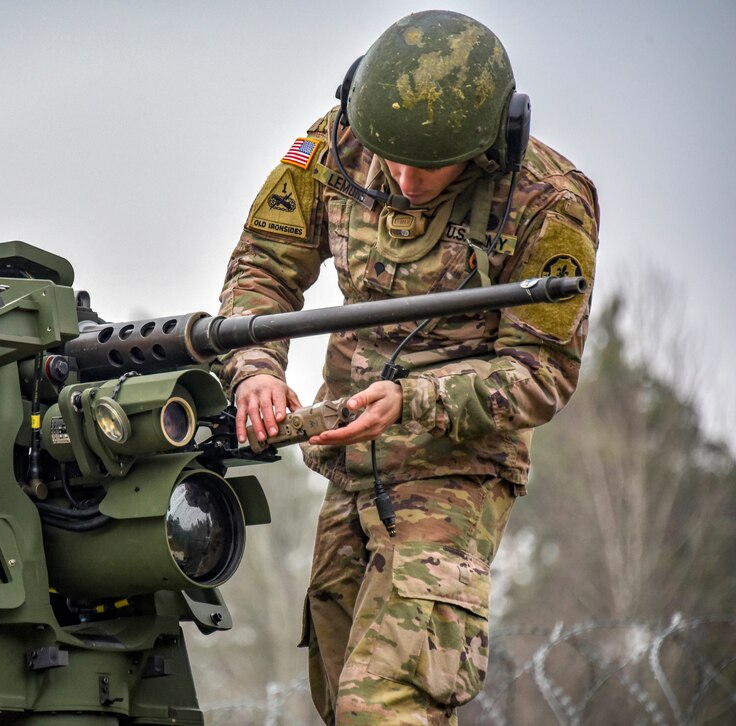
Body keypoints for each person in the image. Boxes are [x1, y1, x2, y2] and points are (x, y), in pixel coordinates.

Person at [215, 10, 599, 724]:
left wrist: (414, 400)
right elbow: (263, 267)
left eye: (427, 165)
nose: (403, 177)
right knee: (338, 700)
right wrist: (258, 369)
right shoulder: (336, 147)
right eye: (391, 156)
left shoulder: (549, 202)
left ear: (489, 144)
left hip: (456, 471)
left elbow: (540, 371)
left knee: (381, 704)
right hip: (350, 463)